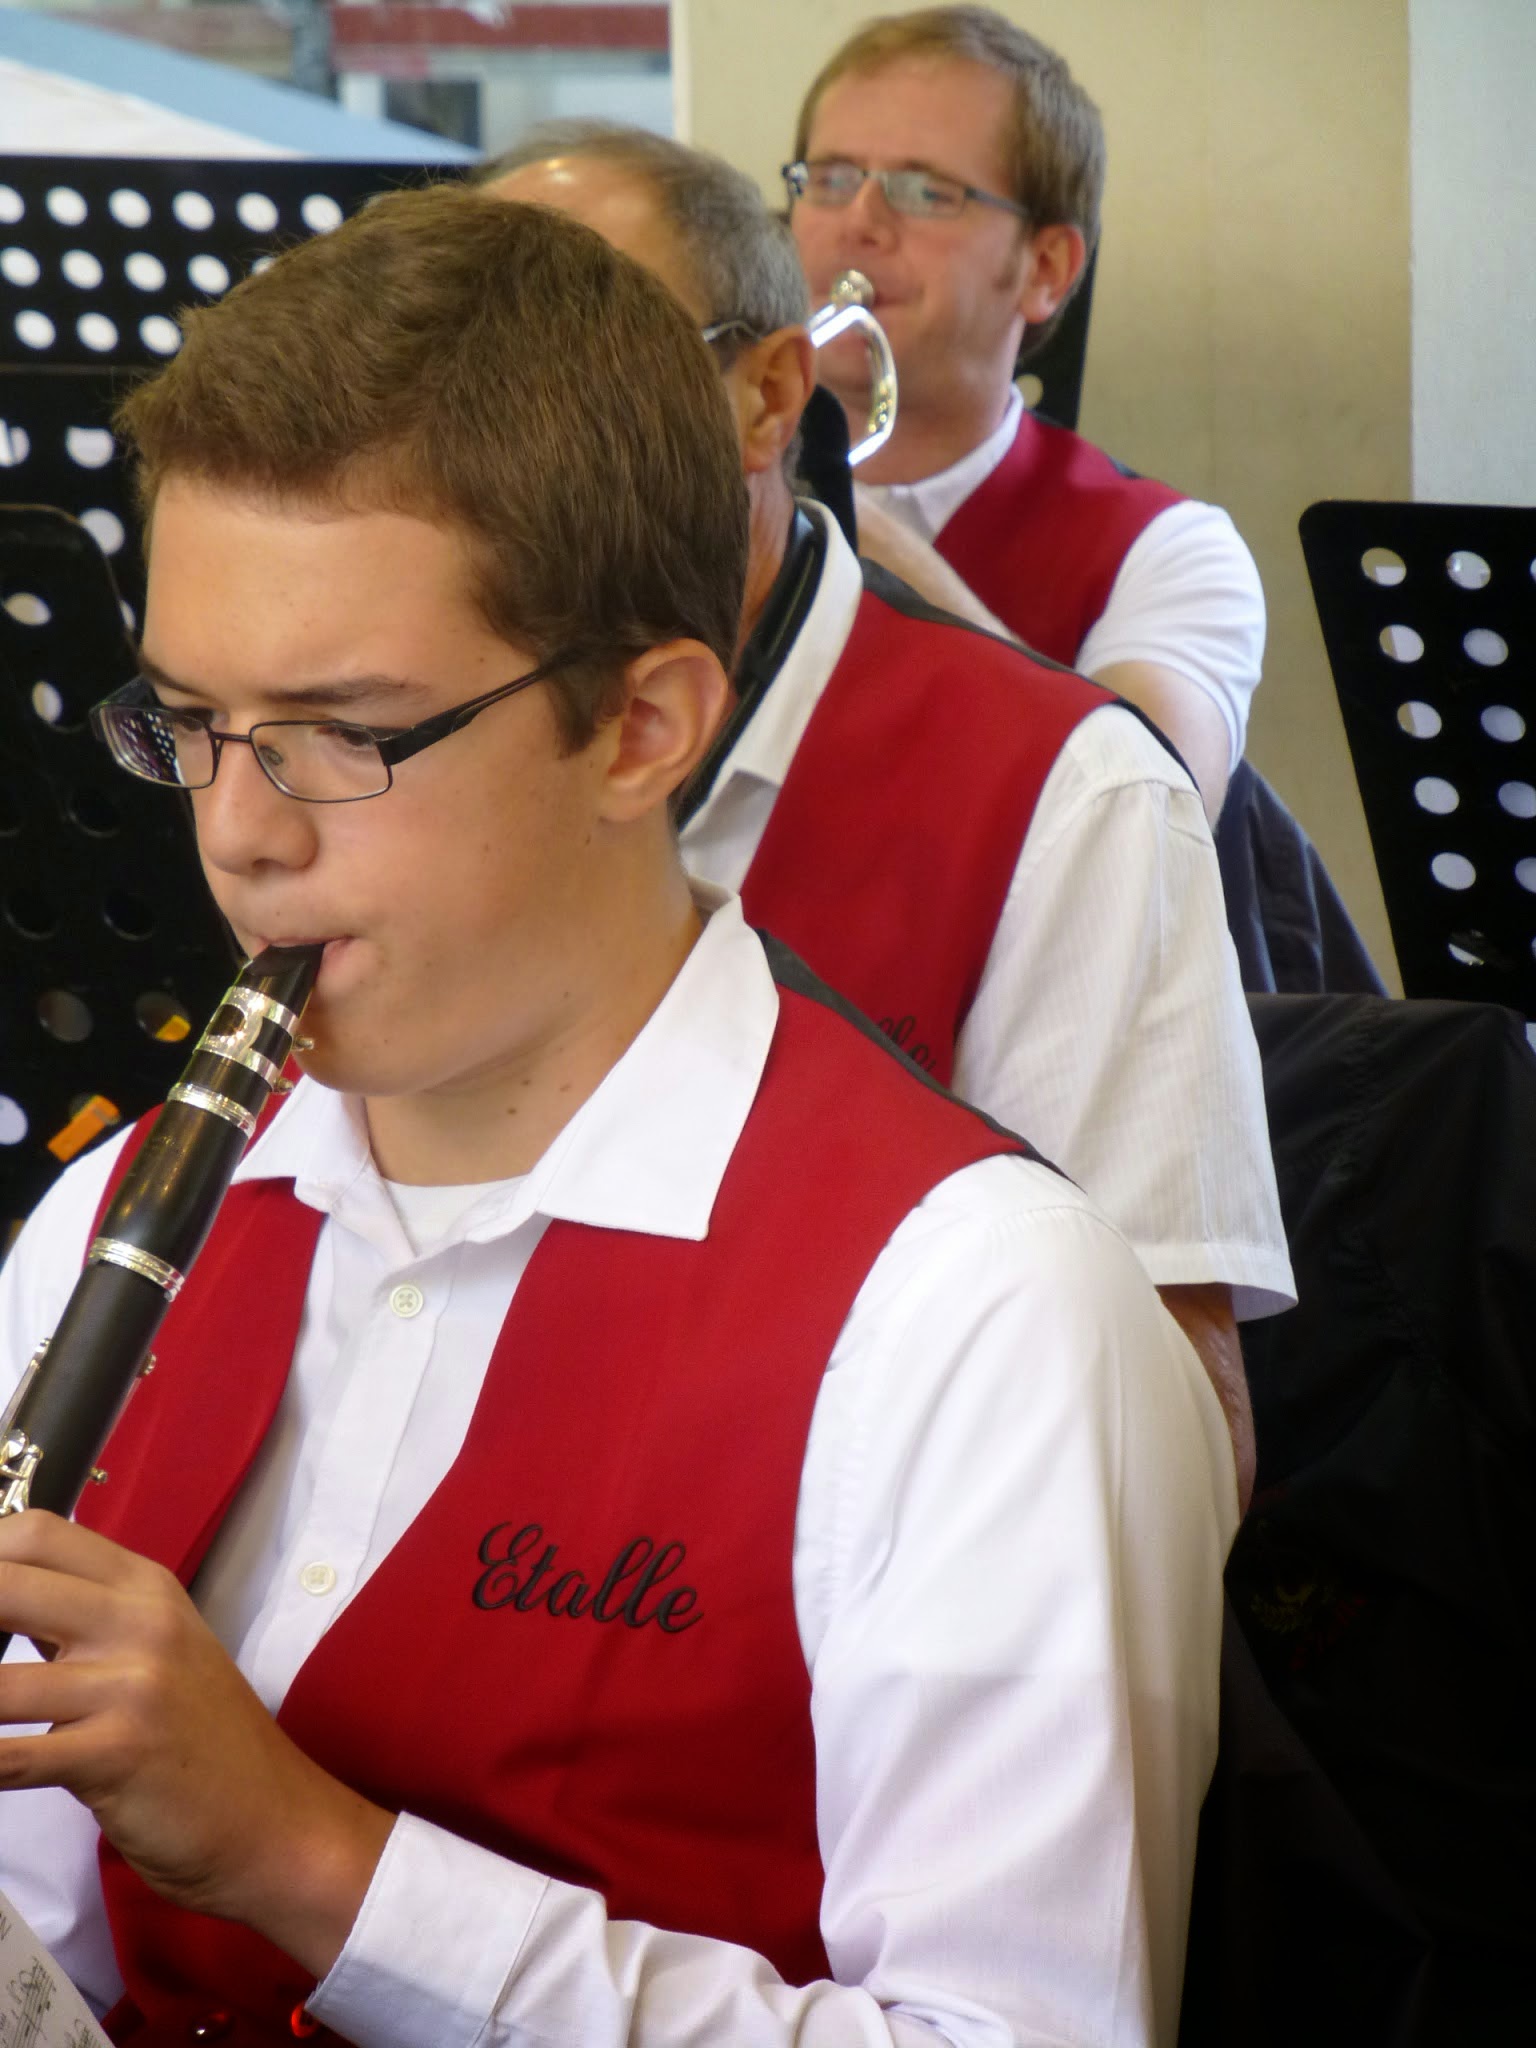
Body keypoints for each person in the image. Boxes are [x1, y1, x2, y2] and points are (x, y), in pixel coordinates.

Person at [0, 185, 1234, 2048]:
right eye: (189, 719)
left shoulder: (975, 1315)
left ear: (645, 727)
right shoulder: (107, 1219)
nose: (241, 830)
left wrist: (317, 1863)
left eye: (346, 731)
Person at [481, 126, 1293, 1499]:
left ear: (769, 394)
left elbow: (1170, 1443)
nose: (497, 432)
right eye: (461, 377)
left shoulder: (1070, 794)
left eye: (582, 364)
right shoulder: (412, 745)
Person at [786, 4, 1264, 823]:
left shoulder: (1172, 554)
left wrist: (867, 541)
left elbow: (1152, 827)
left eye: (923, 191)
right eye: (828, 179)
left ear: (1045, 267)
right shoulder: (698, 494)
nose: (857, 223)